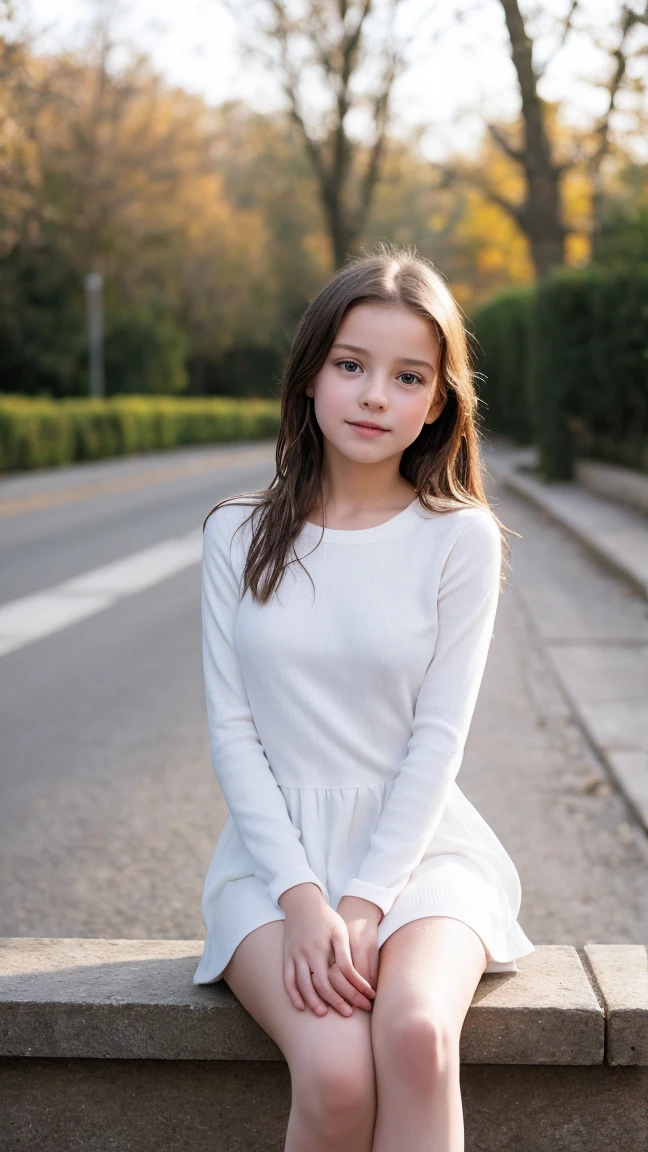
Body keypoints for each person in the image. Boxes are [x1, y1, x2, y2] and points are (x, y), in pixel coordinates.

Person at [193, 245, 535, 1151]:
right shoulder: (236, 534)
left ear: (438, 400)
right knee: (339, 1073)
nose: (376, 394)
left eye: (408, 375)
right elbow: (233, 732)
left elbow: (439, 739)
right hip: (275, 870)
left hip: (422, 856)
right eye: (352, 366)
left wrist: (367, 902)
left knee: (417, 1035)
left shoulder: (458, 540)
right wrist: (306, 900)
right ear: (310, 377)